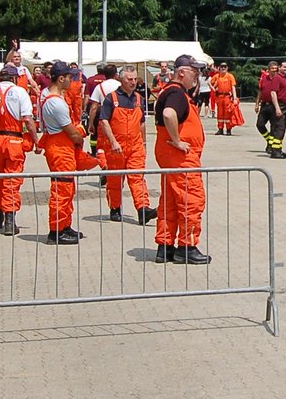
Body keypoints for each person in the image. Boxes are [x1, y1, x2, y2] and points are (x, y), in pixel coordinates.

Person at [153, 54, 210, 264]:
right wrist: (177, 141)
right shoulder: (176, 93)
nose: (197, 76)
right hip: (180, 158)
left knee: (170, 202)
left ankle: (165, 246)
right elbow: (169, 114)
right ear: (181, 72)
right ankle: (187, 247)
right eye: (194, 72)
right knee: (191, 201)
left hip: (170, 157)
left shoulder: (170, 92)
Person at [40, 62, 101, 244]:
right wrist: (81, 133)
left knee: (68, 188)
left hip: (59, 147)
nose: (71, 81)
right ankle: (56, 231)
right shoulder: (57, 103)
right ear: (61, 78)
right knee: (62, 190)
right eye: (69, 77)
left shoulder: (47, 95)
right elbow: (72, 133)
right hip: (60, 150)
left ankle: (65, 226)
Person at [0, 64, 39, 235]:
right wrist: (36, 142)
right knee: (12, 179)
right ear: (15, 78)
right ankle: (10, 221)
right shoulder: (20, 92)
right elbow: (27, 120)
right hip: (13, 140)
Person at [97, 65, 156, 224]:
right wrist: (113, 141)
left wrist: (143, 143)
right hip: (116, 147)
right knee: (115, 179)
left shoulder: (139, 99)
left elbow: (142, 123)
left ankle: (143, 209)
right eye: (129, 79)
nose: (133, 82)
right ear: (120, 79)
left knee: (137, 178)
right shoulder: (112, 98)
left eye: (135, 79)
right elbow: (103, 121)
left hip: (135, 146)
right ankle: (115, 208)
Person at [257, 60, 286, 158]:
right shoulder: (277, 78)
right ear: (280, 68)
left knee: (280, 129)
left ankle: (278, 149)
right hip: (278, 106)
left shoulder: (284, 78)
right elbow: (273, 93)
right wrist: (277, 108)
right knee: (278, 129)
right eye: (284, 67)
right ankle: (275, 151)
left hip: (284, 106)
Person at [210, 63, 244, 135]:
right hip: (219, 97)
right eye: (222, 67)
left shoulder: (230, 76)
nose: (223, 68)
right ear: (219, 68)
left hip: (227, 97)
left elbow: (233, 87)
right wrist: (213, 89)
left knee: (227, 114)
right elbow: (210, 83)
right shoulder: (217, 76)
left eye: (224, 67)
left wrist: (235, 98)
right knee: (220, 113)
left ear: (227, 68)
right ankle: (220, 129)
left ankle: (228, 129)